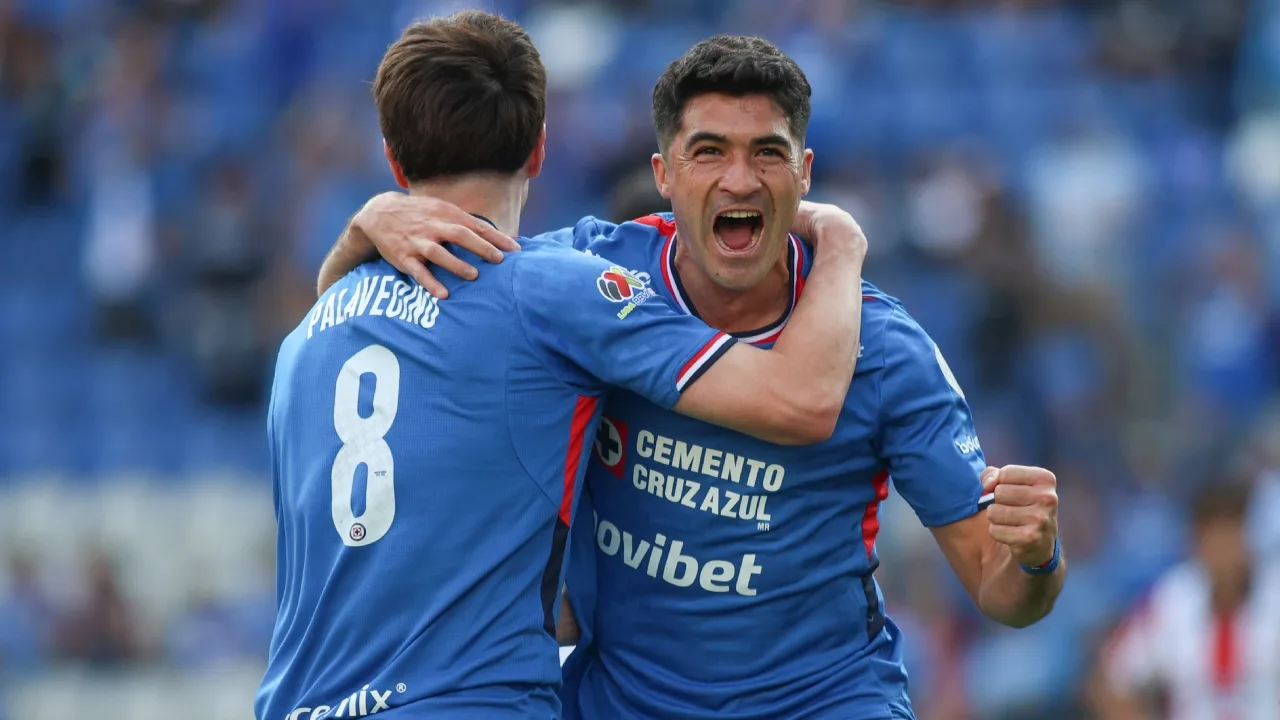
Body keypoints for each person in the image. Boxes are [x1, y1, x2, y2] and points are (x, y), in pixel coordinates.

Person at [319, 34, 1065, 720]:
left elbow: (1002, 591)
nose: (739, 179)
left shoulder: (885, 350)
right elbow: (365, 336)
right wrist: (369, 226)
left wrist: (1036, 556)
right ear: (664, 175)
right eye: (709, 151)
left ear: (803, 175)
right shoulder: (585, 284)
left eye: (767, 153)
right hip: (621, 701)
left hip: (823, 700)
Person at [257, 14, 870, 720]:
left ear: (395, 163)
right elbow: (803, 400)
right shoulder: (548, 291)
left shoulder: (306, 339)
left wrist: (361, 226)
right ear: (541, 147)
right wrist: (842, 241)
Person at [1090, 481, 1280, 720]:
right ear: (1196, 544)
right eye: (1213, 540)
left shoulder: (1274, 595)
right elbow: (1109, 682)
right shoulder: (1170, 600)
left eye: (1231, 537)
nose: (1224, 553)